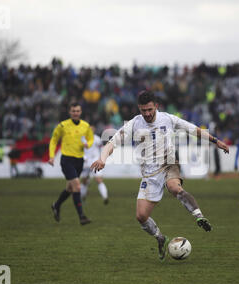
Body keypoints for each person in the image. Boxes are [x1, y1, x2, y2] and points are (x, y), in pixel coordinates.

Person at [90, 90, 229, 261]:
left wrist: (216, 141)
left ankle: (199, 216)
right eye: (143, 110)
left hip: (169, 163)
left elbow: (194, 130)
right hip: (149, 174)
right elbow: (112, 142)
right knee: (141, 216)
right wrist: (102, 159)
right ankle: (160, 238)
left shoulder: (168, 119)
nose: (147, 114)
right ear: (139, 109)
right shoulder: (134, 123)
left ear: (156, 106)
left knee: (174, 187)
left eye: (150, 110)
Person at [49, 103, 94, 225]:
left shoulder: (85, 126)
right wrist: (52, 156)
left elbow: (91, 138)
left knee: (70, 188)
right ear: (70, 112)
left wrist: (88, 144)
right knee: (77, 186)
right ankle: (82, 217)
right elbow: (53, 140)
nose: (76, 113)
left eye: (78, 111)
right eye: (73, 111)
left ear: (80, 112)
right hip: (67, 160)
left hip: (79, 161)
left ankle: (56, 205)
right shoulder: (63, 125)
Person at [80, 125, 109, 205]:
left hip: (95, 161)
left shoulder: (97, 139)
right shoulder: (82, 139)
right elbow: (79, 150)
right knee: (84, 181)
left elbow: (101, 149)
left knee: (98, 179)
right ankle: (82, 199)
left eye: (92, 129)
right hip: (85, 162)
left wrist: (101, 159)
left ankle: (105, 197)